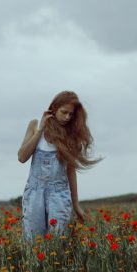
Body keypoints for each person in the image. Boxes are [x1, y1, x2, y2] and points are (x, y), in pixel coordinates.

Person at [17, 91, 104, 243]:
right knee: (33, 243)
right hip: (34, 193)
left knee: (58, 243)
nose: (67, 117)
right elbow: (22, 157)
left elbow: (71, 171)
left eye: (71, 115)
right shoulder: (34, 124)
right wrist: (40, 130)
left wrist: (76, 205)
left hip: (59, 194)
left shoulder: (70, 135)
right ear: (54, 108)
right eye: (64, 112)